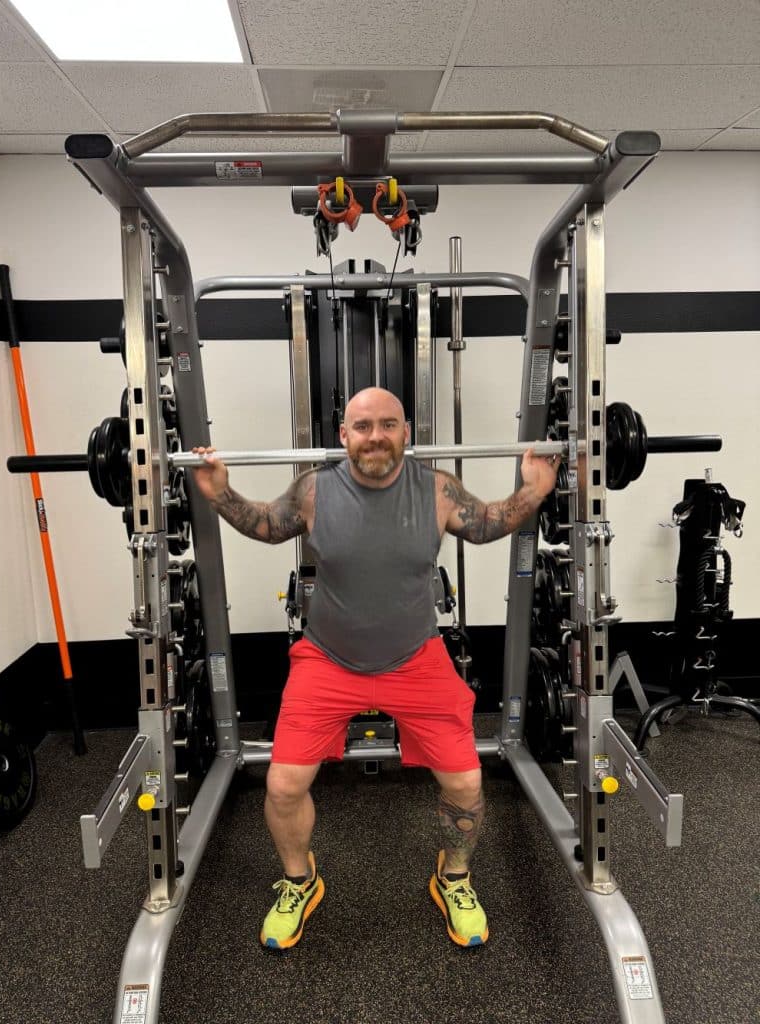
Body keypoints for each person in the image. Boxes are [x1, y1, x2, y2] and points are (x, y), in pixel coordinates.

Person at [191, 386, 560, 951]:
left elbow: (485, 523)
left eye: (388, 425)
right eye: (362, 427)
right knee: (284, 784)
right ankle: (300, 881)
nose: (376, 437)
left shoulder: (436, 489)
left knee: (466, 782)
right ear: (343, 436)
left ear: (406, 432)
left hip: (416, 657)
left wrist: (532, 492)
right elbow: (266, 523)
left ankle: (453, 877)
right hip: (327, 658)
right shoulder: (315, 489)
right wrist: (220, 494)